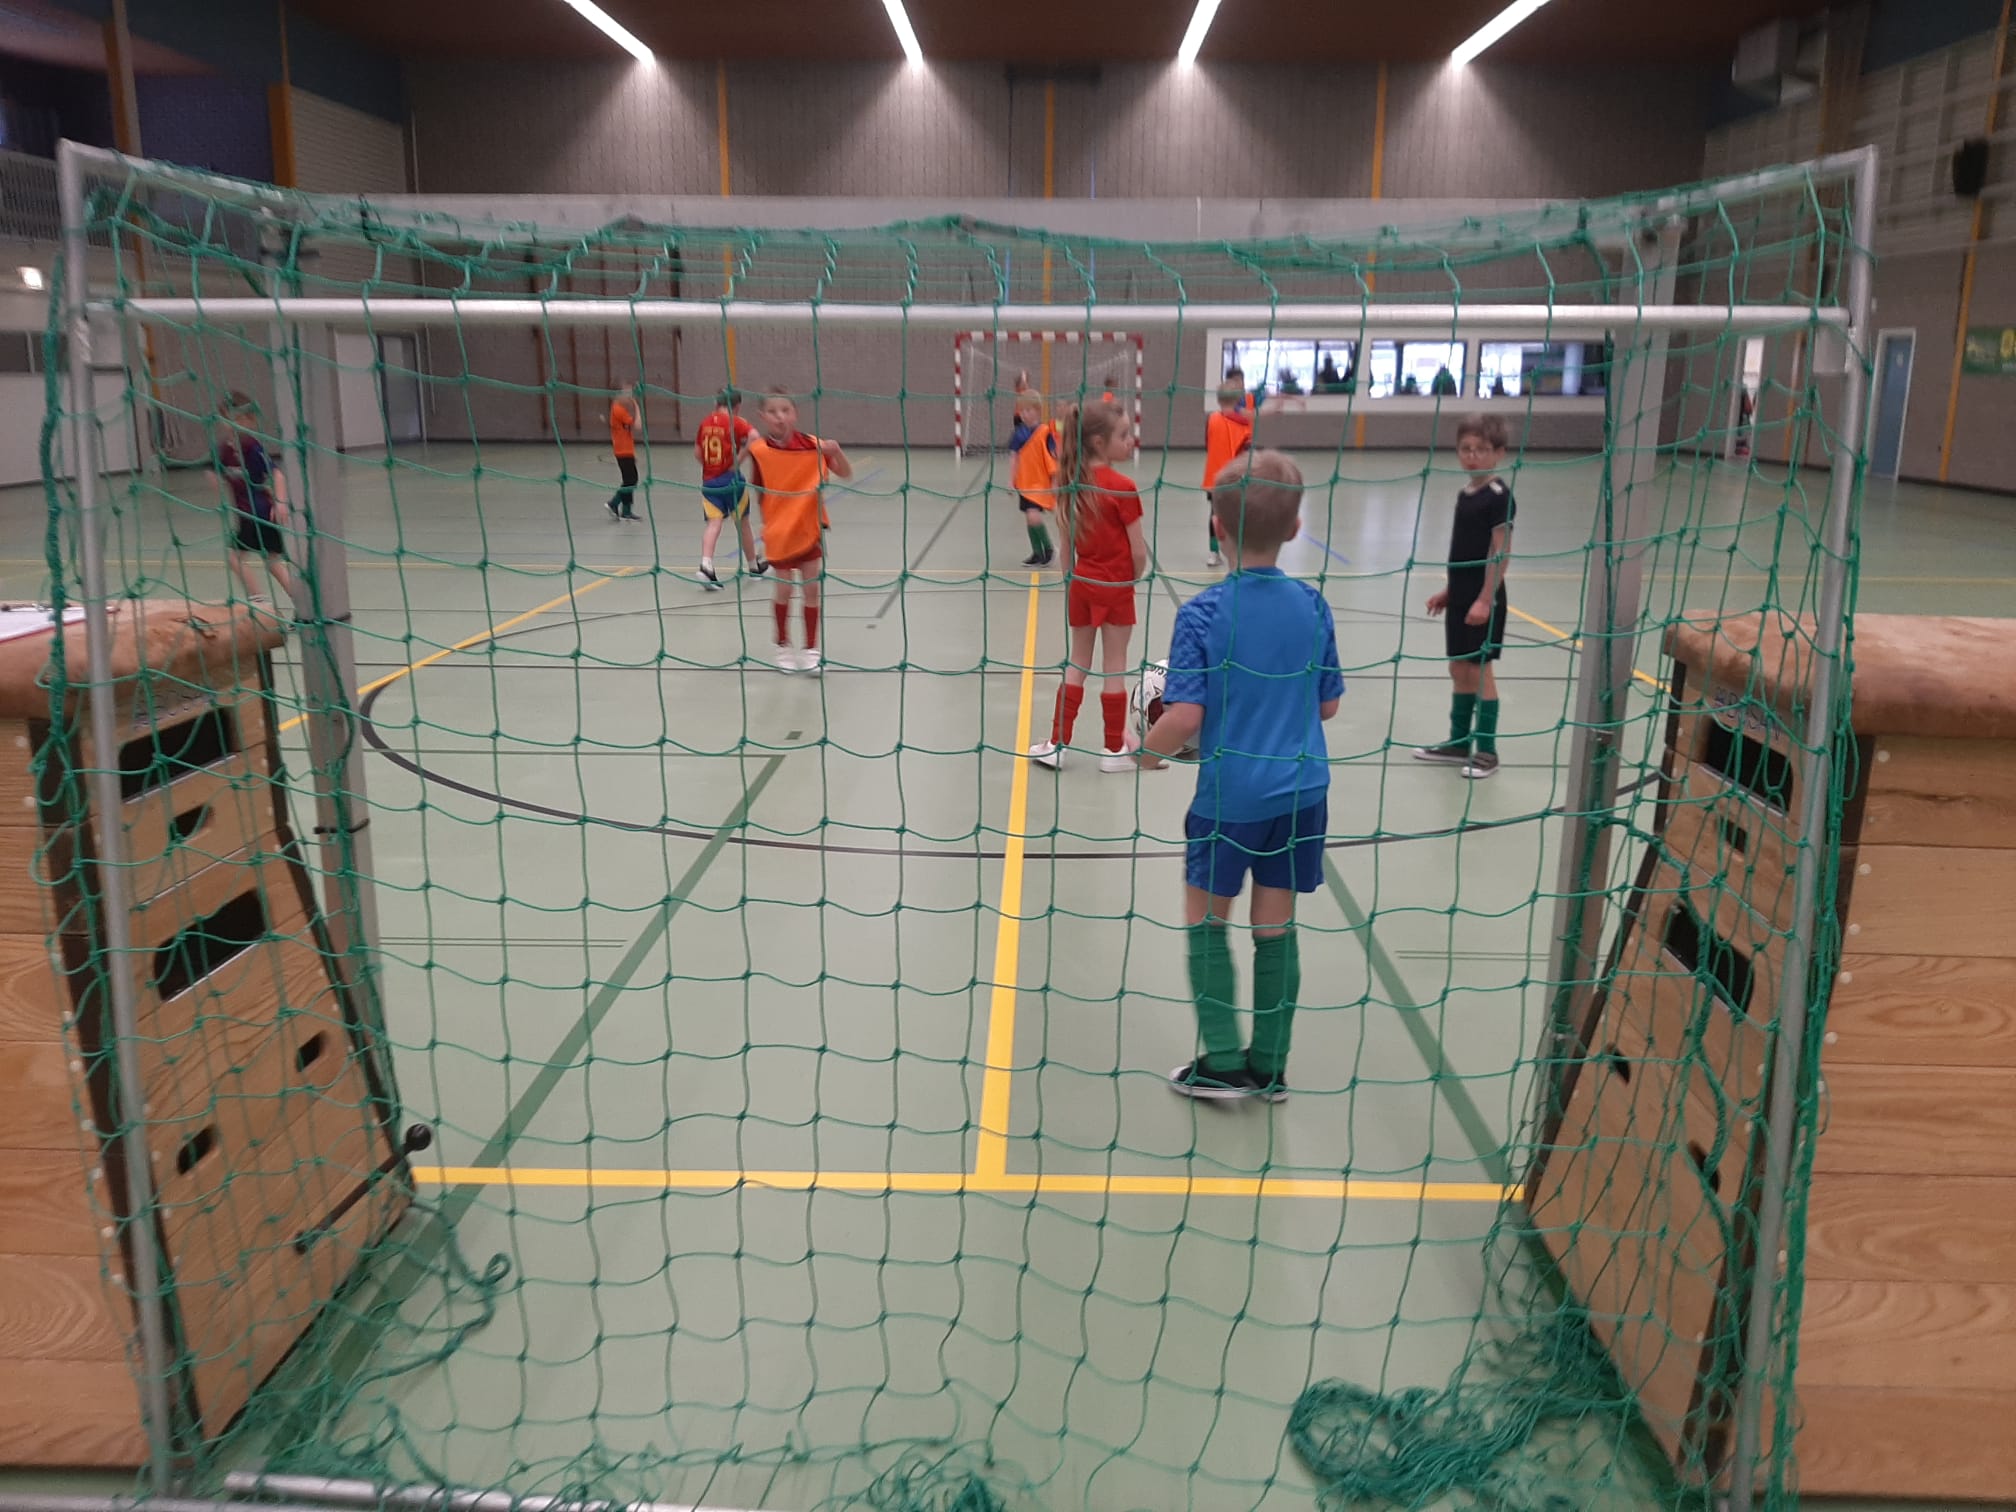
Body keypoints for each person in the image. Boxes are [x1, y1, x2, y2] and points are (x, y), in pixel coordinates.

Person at [1137, 450, 1342, 1101]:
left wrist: (1147, 751)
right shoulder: (1313, 606)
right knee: (1274, 927)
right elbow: (1328, 706)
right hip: (1303, 794)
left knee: (1207, 922)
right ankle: (1270, 1066)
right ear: (1295, 527)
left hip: (1230, 798)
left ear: (1216, 527)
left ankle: (1224, 1062)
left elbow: (1185, 714)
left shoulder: (1203, 613)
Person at [1026, 398, 1145, 773]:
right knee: (1114, 667)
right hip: (1116, 588)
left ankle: (1057, 745)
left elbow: (1065, 551)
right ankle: (1113, 751)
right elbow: (1138, 552)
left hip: (1081, 585)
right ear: (1098, 442)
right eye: (1123, 435)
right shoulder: (1123, 487)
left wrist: (1071, 586)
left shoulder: (1070, 485)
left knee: (1076, 663)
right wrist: (1129, 579)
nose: (1130, 441)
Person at [1414, 413, 1515, 779]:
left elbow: (1500, 552)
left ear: (1498, 453)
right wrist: (1450, 591)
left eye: (1481, 449)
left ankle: (1487, 751)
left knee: (1479, 669)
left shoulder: (1499, 497)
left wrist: (1485, 599)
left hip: (1484, 598)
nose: (1472, 456)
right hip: (1462, 596)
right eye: (1466, 449)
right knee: (1458, 668)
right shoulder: (1466, 494)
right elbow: (1465, 550)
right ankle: (1459, 744)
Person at [745, 386, 852, 674]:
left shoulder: (813, 446)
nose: (780, 416)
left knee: (812, 589)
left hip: (808, 529)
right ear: (762, 416)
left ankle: (811, 649)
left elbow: (845, 473)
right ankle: (782, 646)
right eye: (772, 412)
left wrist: (836, 452)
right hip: (779, 533)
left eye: (785, 410)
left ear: (795, 414)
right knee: (783, 591)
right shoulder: (759, 451)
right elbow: (758, 491)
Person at [215, 392, 299, 617]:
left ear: (249, 420)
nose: (231, 424)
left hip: (259, 514)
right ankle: (300, 606)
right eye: (227, 418)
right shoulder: (226, 450)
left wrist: (280, 502)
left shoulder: (252, 447)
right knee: (271, 563)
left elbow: (277, 474)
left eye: (237, 419)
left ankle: (261, 603)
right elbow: (220, 476)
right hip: (246, 515)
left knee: (238, 559)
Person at [693, 387, 766, 589]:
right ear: (737, 407)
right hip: (732, 481)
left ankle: (706, 565)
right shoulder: (735, 422)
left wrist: (710, 467)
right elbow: (755, 437)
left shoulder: (705, 423)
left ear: (716, 403)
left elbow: (697, 453)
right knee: (743, 523)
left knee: (713, 524)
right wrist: (739, 459)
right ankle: (753, 567)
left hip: (709, 482)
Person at [1201, 379, 1253, 568]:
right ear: (1238, 399)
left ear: (1218, 399)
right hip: (1235, 479)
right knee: (1237, 515)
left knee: (1215, 514)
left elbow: (1208, 444)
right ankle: (1236, 551)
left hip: (1214, 479)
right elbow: (1247, 454)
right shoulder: (1245, 425)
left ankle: (1213, 552)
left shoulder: (1212, 419)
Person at [1009, 387, 1058, 567]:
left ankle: (1049, 550)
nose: (1024, 414)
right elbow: (1013, 457)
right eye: (1021, 411)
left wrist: (1055, 480)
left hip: (1040, 484)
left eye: (1028, 410)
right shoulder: (1018, 434)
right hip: (1025, 483)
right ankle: (1037, 553)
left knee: (1033, 516)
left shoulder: (1044, 432)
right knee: (1029, 519)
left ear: (1037, 411)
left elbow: (1052, 457)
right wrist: (1011, 480)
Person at [604, 385, 642, 521]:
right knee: (631, 481)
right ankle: (614, 503)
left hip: (626, 450)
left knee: (630, 480)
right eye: (627, 394)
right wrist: (636, 406)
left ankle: (625, 511)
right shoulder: (618, 410)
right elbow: (638, 426)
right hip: (622, 451)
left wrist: (633, 453)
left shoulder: (620, 409)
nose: (629, 397)